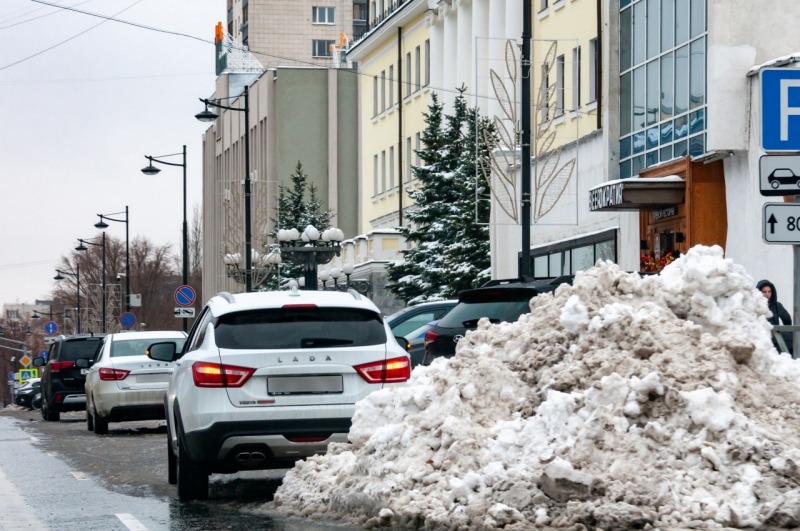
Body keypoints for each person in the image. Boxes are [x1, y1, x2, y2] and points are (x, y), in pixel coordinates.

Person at [757, 279, 793, 354]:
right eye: (764, 292)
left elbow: (787, 319)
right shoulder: (755, 306)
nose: (767, 294)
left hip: (775, 338)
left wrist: (787, 331)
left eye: (769, 292)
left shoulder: (777, 306)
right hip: (760, 338)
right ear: (759, 292)